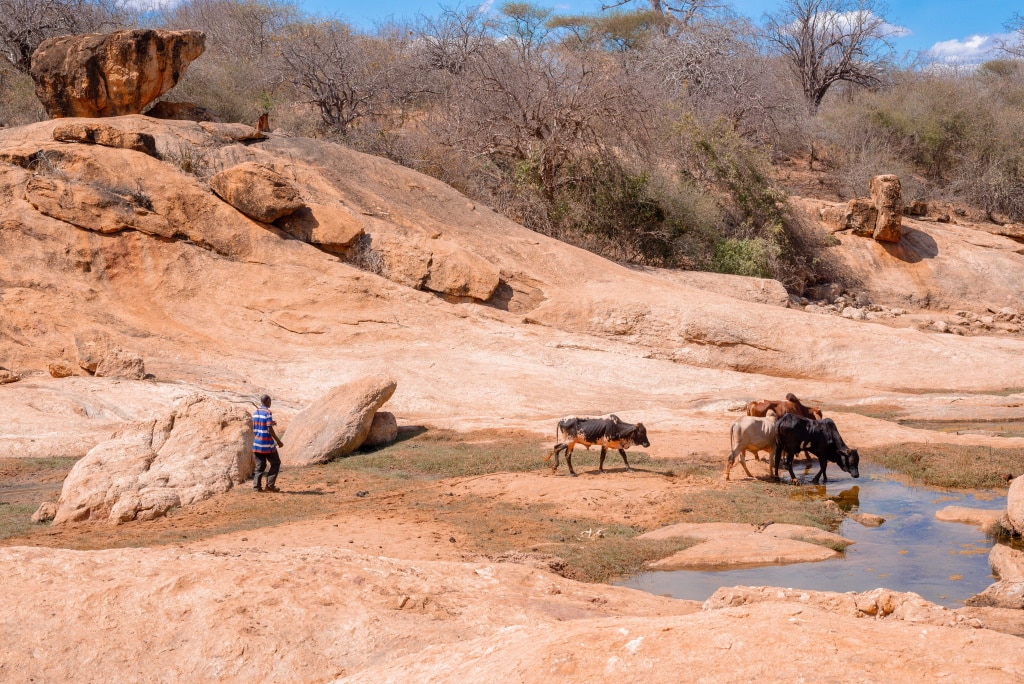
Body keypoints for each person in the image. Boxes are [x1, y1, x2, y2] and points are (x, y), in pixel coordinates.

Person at [252, 394, 283, 492]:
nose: (270, 403)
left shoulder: (255, 412)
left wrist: (271, 422)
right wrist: (278, 441)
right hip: (267, 444)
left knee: (260, 466)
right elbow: (269, 429)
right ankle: (270, 486)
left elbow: (261, 425)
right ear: (267, 401)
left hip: (257, 443)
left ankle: (257, 487)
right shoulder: (268, 412)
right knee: (276, 462)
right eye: (270, 401)